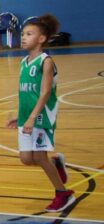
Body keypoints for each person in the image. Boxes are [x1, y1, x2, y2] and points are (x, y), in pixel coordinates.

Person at [6, 14, 73, 213]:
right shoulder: (23, 62)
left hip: (42, 116)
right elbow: (27, 92)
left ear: (42, 38)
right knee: (26, 159)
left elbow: (44, 93)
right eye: (23, 34)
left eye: (29, 34)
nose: (23, 37)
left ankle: (63, 193)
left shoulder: (46, 62)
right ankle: (56, 163)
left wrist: (32, 117)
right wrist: (21, 116)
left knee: (40, 157)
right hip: (27, 115)